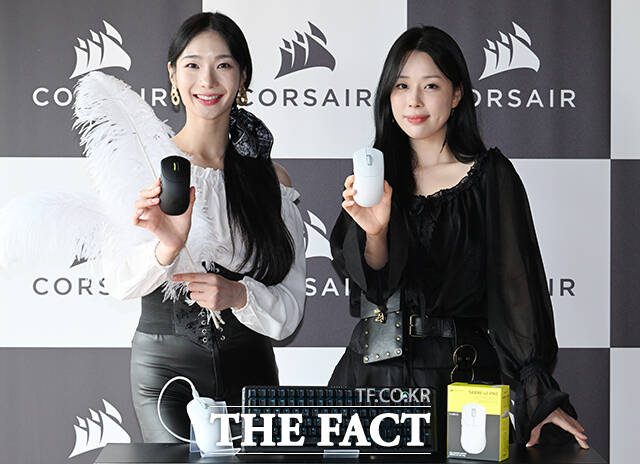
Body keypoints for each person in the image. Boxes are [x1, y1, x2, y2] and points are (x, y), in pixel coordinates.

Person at [329, 26, 588, 450]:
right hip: (370, 379)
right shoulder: (374, 181)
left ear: (456, 95)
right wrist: (375, 232)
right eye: (401, 86)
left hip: (460, 380)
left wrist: (537, 393)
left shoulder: (490, 177)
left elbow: (516, 290)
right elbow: (371, 284)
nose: (414, 101)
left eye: (430, 85)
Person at [101, 12, 306, 442]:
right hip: (167, 377)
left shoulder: (273, 182)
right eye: (192, 64)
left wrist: (239, 295)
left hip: (253, 372)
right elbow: (117, 281)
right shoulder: (143, 171)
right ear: (173, 75)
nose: (207, 80)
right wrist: (167, 247)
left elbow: (289, 313)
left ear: (243, 77)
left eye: (223, 65)